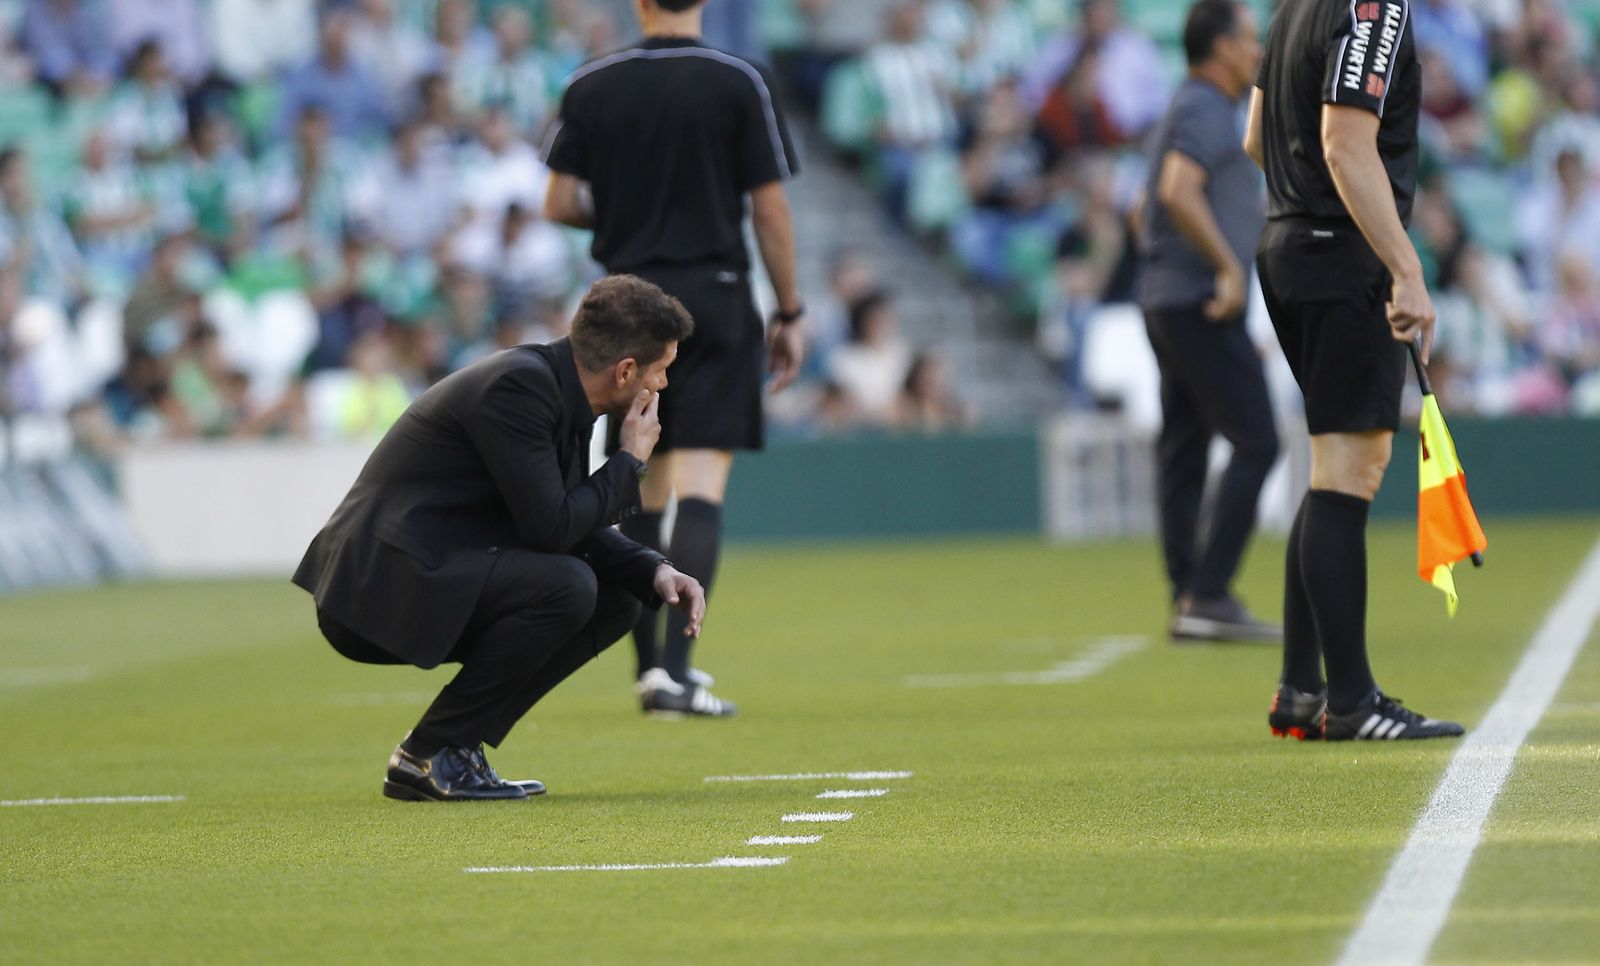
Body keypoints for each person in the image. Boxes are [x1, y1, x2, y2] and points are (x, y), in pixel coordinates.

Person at [291, 275, 708, 801]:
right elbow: (553, 528)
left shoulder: (558, 388)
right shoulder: (521, 387)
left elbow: (567, 519)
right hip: (376, 588)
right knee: (569, 585)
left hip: (428, 568)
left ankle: (454, 748)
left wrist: (653, 568)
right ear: (626, 371)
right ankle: (430, 752)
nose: (664, 385)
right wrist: (628, 461)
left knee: (621, 593)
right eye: (662, 370)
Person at [544, 0, 803, 717]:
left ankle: (649, 669)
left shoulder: (591, 82)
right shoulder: (737, 80)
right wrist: (791, 310)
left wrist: (625, 210)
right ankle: (680, 675)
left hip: (626, 301)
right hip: (714, 297)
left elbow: (559, 200)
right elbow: (771, 212)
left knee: (640, 481)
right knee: (700, 486)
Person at [1247, 0, 1464, 740]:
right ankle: (1353, 701)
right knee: (1351, 471)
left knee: (1331, 465)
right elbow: (1344, 144)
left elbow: (1256, 137)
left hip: (1285, 243)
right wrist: (1406, 268)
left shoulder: (1289, 9)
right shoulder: (1375, 6)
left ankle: (1300, 690)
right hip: (1339, 256)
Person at [1136, 0, 1279, 642]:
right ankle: (1209, 592)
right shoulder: (1202, 105)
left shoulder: (1190, 105)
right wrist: (1225, 268)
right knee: (1257, 440)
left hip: (1167, 297)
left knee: (1185, 449)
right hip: (1197, 299)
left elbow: (1143, 208)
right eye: (1250, 39)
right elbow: (1173, 189)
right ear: (1222, 49)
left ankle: (1188, 591)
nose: (1257, 50)